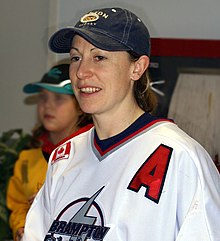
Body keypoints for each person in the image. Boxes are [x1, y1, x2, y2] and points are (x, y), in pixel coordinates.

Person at [22, 7, 220, 241]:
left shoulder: (182, 157)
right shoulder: (63, 157)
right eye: (76, 57)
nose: (82, 72)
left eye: (99, 57)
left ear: (137, 67)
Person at [7, 63, 92, 241]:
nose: (48, 106)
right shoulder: (27, 159)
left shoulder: (94, 155)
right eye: (43, 98)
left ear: (80, 105)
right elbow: (18, 205)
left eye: (59, 99)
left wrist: (50, 200)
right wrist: (22, 227)